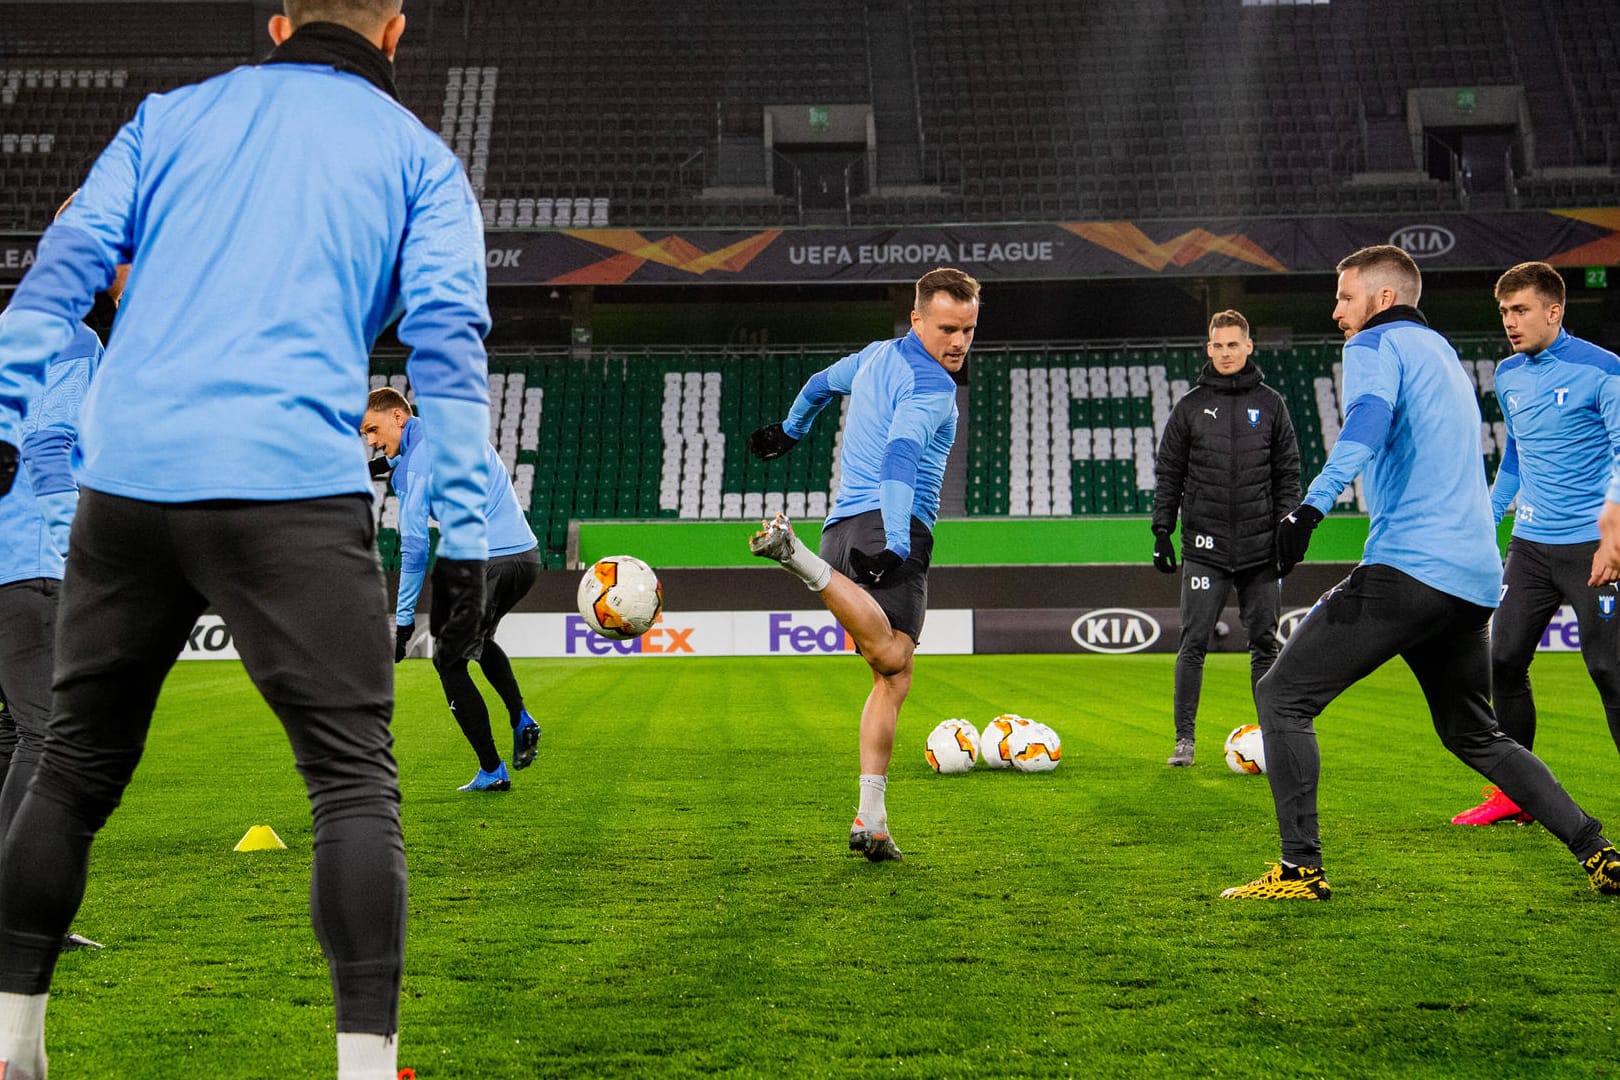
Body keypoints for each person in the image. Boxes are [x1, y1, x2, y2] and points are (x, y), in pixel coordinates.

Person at [0, 2, 494, 1076]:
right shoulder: (420, 157)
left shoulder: (165, 119)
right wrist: (461, 515)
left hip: (126, 481)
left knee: (74, 769)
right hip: (287, 488)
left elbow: (62, 269)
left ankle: (12, 1048)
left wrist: (1, 413)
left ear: (276, 24)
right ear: (396, 31)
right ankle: (365, 1065)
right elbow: (448, 342)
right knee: (352, 781)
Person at [1221, 244, 1620, 901]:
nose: (1335, 311)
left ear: (1382, 299)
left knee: (1282, 695)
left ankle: (1300, 869)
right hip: (1470, 581)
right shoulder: (1443, 354)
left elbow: (1368, 420)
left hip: (1411, 567)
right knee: (1474, 733)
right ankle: (1598, 851)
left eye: (1345, 298)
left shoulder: (1374, 346)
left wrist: (1311, 508)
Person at [746, 267, 978, 863]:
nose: (958, 342)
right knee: (895, 656)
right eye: (948, 328)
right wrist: (897, 541)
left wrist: (792, 430)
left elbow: (822, 382)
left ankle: (870, 821)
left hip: (841, 529)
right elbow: (902, 454)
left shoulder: (875, 355)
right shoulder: (933, 388)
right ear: (918, 318)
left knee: (890, 678)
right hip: (887, 525)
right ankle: (794, 557)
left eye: (969, 330)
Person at [1448, 263, 1620, 826]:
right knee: (1502, 658)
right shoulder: (1508, 375)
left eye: (1520, 310)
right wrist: (1487, 518)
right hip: (1531, 544)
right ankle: (1517, 795)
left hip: (1594, 545)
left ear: (1554, 310)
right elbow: (1517, 459)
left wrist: (1613, 532)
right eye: (1504, 312)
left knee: (1608, 669)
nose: (1509, 322)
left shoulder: (1604, 370)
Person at [361, 386, 542, 792]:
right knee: (478, 642)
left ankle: (492, 770)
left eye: (373, 430)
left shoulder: (415, 466)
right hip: (524, 557)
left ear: (398, 418)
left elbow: (414, 546)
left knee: (447, 659)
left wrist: (404, 619)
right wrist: (393, 468)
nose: (371, 441)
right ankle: (520, 717)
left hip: (488, 561)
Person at [1150, 309, 1300, 767]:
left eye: (1233, 345)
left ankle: (1275, 739)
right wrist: (1162, 530)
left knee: (1264, 647)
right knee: (1192, 644)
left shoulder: (1272, 404)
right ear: (1208, 348)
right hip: (1206, 549)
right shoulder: (1190, 407)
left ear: (1248, 347)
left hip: (1259, 550)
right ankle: (1184, 742)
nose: (1225, 353)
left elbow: (1287, 474)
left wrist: (1288, 528)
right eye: (1218, 345)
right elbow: (1169, 474)